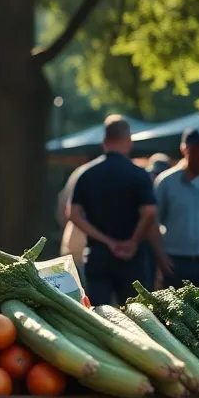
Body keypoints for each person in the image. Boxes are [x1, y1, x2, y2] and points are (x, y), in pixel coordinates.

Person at [68, 115, 158, 304]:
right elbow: (149, 212)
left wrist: (107, 242)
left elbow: (73, 214)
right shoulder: (139, 175)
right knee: (135, 314)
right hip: (132, 256)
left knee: (99, 313)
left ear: (104, 141)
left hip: (98, 254)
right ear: (129, 141)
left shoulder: (87, 174)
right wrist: (133, 241)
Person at [148, 129, 199, 296]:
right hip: (177, 263)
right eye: (195, 150)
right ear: (184, 150)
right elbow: (152, 222)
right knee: (178, 316)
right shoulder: (166, 182)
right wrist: (161, 257)